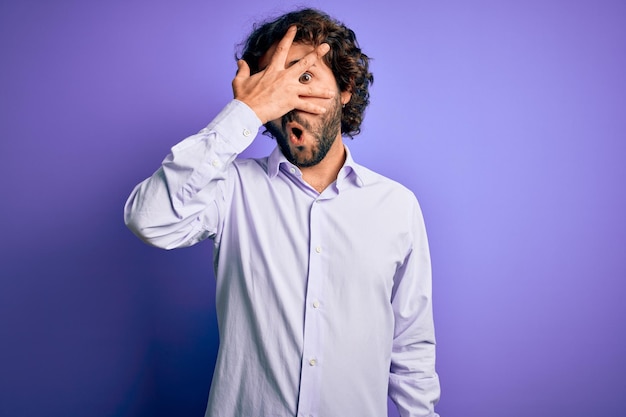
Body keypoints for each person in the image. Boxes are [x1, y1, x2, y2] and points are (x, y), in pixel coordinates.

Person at [124, 8, 440, 417]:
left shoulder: (397, 207)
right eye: (276, 84)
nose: (290, 99)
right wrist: (246, 112)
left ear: (344, 90)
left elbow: (411, 348)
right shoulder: (230, 189)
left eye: (304, 78)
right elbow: (148, 219)